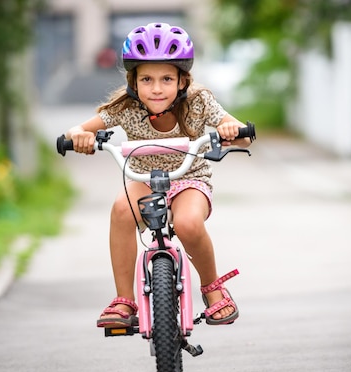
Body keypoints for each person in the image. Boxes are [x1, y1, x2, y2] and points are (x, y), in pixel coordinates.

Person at [66, 22, 251, 328]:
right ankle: (124, 300)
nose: (156, 88)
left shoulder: (198, 102)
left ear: (182, 81)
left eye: (166, 78)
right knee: (122, 210)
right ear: (133, 82)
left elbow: (242, 135)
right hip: (144, 181)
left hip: (190, 178)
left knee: (188, 224)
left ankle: (212, 286)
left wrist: (232, 132)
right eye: (147, 79)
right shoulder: (125, 108)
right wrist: (79, 137)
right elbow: (79, 129)